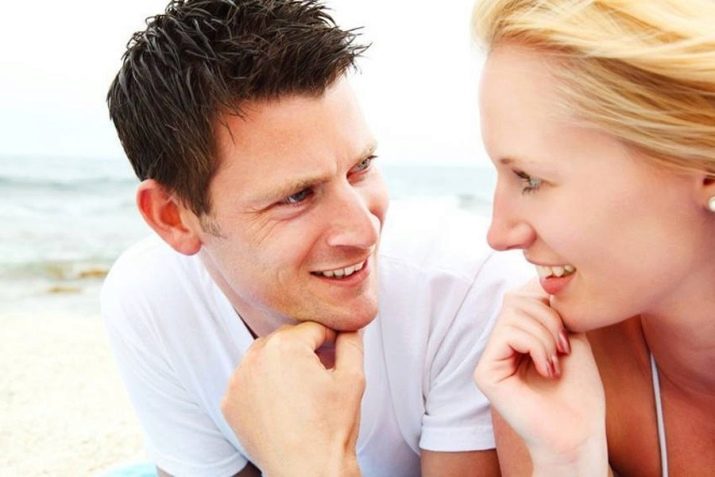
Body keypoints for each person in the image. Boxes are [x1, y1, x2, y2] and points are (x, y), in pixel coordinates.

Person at [102, 0, 530, 475]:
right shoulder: (150, 298)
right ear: (173, 218)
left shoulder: (466, 289)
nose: (365, 231)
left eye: (361, 167)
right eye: (297, 196)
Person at [471, 0, 715, 475]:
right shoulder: (552, 382)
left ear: (704, 166)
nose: (499, 234)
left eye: (531, 178)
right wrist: (566, 460)